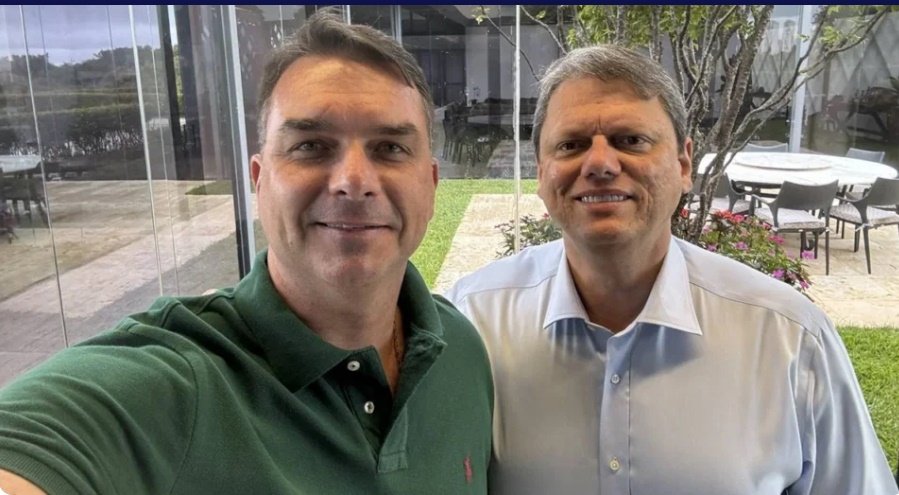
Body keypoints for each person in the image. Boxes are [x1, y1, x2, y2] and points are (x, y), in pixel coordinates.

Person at [0, 10, 492, 494]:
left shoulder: (461, 351)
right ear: (259, 181)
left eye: (390, 148)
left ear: (431, 185)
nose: (353, 181)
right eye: (311, 146)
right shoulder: (177, 382)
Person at [445, 44, 898, 494]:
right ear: (542, 171)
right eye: (572, 145)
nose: (599, 163)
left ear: (684, 164)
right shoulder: (472, 323)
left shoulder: (788, 338)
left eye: (631, 140)